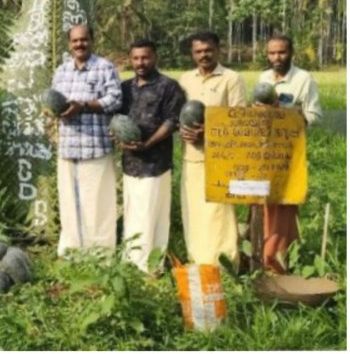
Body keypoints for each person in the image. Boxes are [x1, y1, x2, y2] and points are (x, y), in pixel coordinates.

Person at [50, 25, 122, 257]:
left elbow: (115, 99)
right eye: (75, 41)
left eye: (84, 40)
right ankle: (72, 247)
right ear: (69, 44)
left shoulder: (104, 67)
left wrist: (83, 106)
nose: (79, 44)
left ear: (92, 40)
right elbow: (54, 100)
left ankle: (100, 252)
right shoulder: (61, 71)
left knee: (98, 202)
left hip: (96, 146)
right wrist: (55, 110)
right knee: (70, 201)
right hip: (68, 146)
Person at [253, 35, 322, 273]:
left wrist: (282, 114)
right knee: (262, 205)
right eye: (272, 53)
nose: (276, 58)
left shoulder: (303, 79)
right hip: (263, 153)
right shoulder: (263, 79)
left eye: (281, 52)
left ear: (291, 53)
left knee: (284, 207)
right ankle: (262, 258)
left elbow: (314, 116)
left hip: (289, 155)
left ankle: (280, 262)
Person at [115, 40, 186, 273]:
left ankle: (151, 264)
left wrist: (147, 144)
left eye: (145, 57)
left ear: (155, 57)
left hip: (156, 162)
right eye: (135, 58)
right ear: (130, 59)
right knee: (133, 211)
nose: (140, 63)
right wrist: (121, 140)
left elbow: (171, 121)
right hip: (130, 162)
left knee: (153, 214)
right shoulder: (125, 88)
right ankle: (133, 259)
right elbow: (117, 120)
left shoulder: (168, 86)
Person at [178, 30, 247, 266]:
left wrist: (208, 133)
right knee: (194, 210)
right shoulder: (185, 79)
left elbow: (240, 120)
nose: (204, 55)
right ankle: (198, 259)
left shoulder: (231, 78)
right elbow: (179, 115)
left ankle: (225, 262)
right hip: (191, 156)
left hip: (220, 157)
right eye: (198, 51)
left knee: (219, 213)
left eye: (208, 50)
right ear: (192, 54)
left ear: (218, 50)